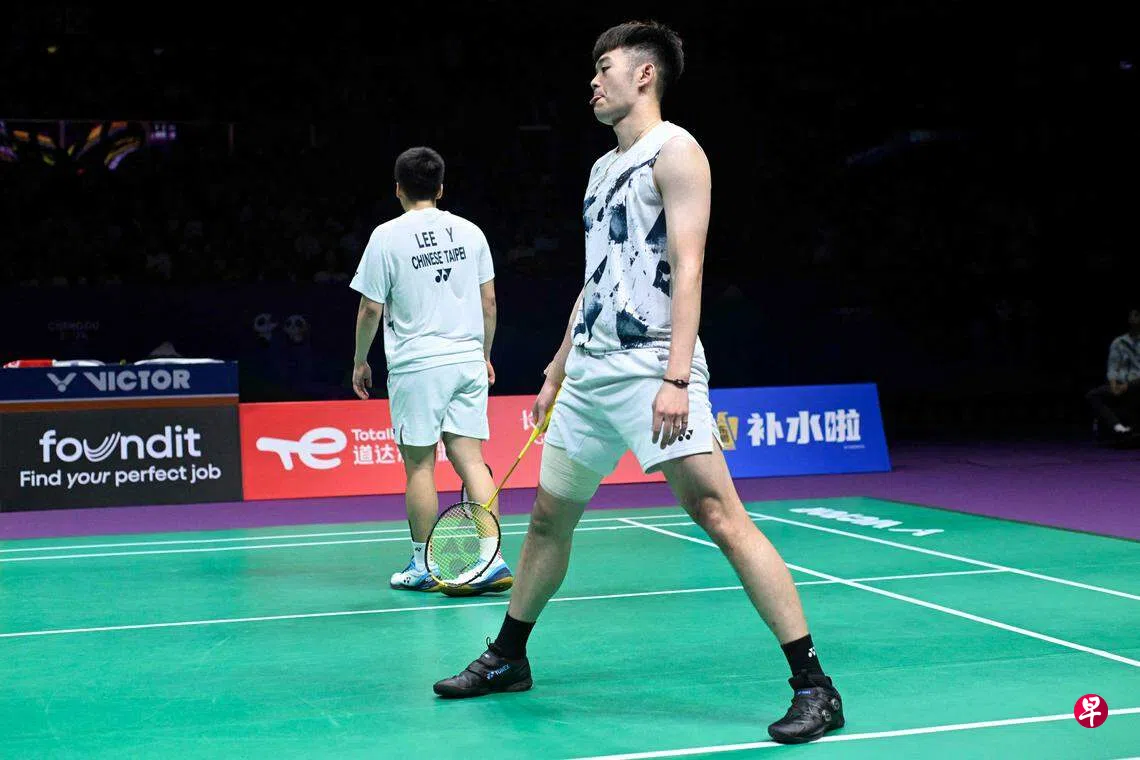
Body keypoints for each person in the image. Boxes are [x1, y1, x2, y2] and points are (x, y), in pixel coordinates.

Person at [433, 22, 844, 744]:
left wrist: (677, 376)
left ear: (645, 74)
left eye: (605, 67)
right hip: (590, 374)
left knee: (718, 513)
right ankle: (509, 657)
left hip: (654, 363)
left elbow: (689, 265)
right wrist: (559, 367)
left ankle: (815, 685)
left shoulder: (677, 151)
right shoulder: (601, 168)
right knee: (549, 519)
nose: (593, 82)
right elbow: (597, 277)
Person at [350, 146, 511, 596]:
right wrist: (484, 354)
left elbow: (369, 308)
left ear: (398, 189)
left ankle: (424, 565)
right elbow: (489, 303)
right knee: (471, 460)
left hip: (417, 365)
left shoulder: (386, 236)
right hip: (466, 360)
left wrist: (361, 360)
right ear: (440, 189)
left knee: (420, 466)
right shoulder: (471, 232)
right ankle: (491, 558)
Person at [1087, 306, 1140, 438]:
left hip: (1136, 384)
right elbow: (1112, 366)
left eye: (1138, 315)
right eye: (1133, 315)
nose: (1135, 318)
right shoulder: (1119, 342)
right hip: (1120, 384)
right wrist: (1113, 384)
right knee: (1093, 395)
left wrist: (1128, 386)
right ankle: (1118, 427)